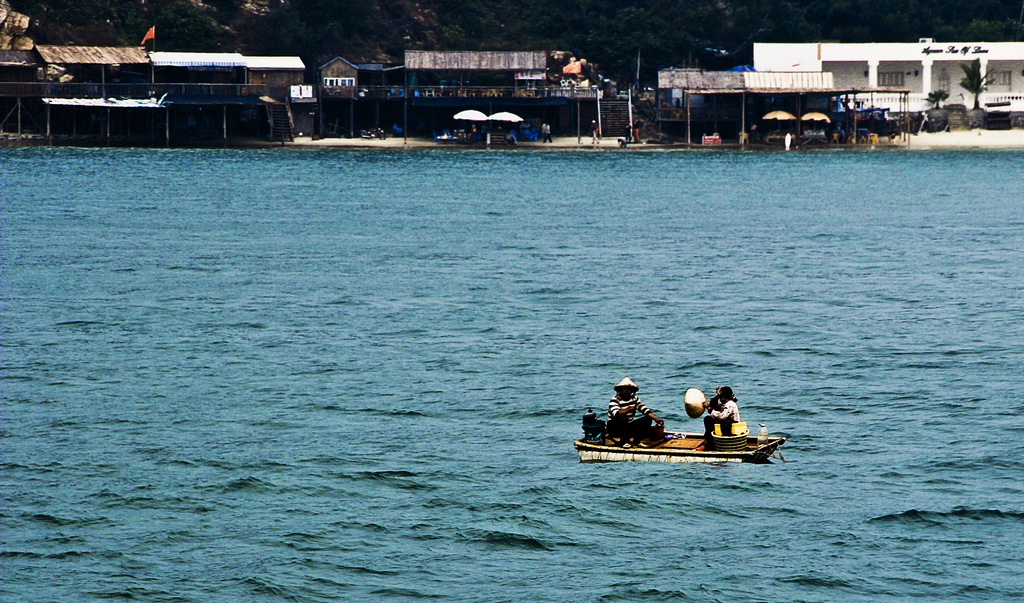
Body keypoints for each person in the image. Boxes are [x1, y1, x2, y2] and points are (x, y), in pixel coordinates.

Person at [607, 377, 664, 447]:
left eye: (628, 389)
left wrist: (656, 419)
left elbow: (645, 410)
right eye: (624, 389)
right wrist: (629, 409)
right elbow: (616, 413)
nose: (626, 391)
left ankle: (636, 441)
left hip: (628, 426)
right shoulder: (615, 400)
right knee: (622, 418)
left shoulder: (635, 399)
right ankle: (624, 441)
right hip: (615, 427)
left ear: (632, 391)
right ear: (620, 390)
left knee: (648, 419)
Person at [697, 386, 740, 451]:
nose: (720, 399)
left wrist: (709, 408)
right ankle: (709, 442)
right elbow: (714, 406)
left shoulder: (730, 404)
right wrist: (711, 403)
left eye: (720, 397)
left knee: (725, 422)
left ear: (723, 397)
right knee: (708, 419)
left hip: (730, 426)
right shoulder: (724, 404)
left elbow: (722, 416)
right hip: (724, 424)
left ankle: (722, 444)